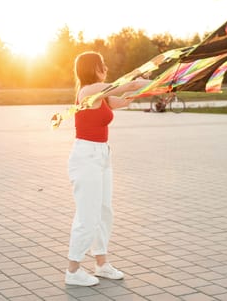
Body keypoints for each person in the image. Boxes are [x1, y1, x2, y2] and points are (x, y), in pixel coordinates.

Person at [65, 51, 150, 286]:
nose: (106, 67)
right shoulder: (88, 92)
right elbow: (125, 85)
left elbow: (125, 96)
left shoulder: (101, 95)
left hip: (102, 155)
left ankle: (101, 264)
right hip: (86, 158)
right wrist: (161, 82)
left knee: (104, 212)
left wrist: (142, 86)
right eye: (102, 64)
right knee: (87, 215)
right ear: (93, 68)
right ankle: (73, 270)